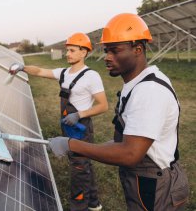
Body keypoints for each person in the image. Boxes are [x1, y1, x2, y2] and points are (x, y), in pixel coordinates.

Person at [48, 13, 189, 210]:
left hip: (156, 186)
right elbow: (125, 141)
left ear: (138, 49)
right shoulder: (135, 84)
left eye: (115, 51)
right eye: (107, 51)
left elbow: (130, 153)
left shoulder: (149, 91)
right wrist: (86, 147)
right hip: (146, 179)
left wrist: (72, 145)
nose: (107, 57)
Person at [9, 33, 108, 211]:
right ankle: (94, 202)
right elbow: (39, 71)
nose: (67, 53)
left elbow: (103, 105)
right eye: (67, 50)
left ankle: (79, 207)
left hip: (80, 128)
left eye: (72, 50)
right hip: (67, 126)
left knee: (79, 168)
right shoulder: (64, 73)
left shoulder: (91, 76)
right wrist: (23, 67)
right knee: (83, 163)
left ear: (83, 52)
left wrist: (79, 114)